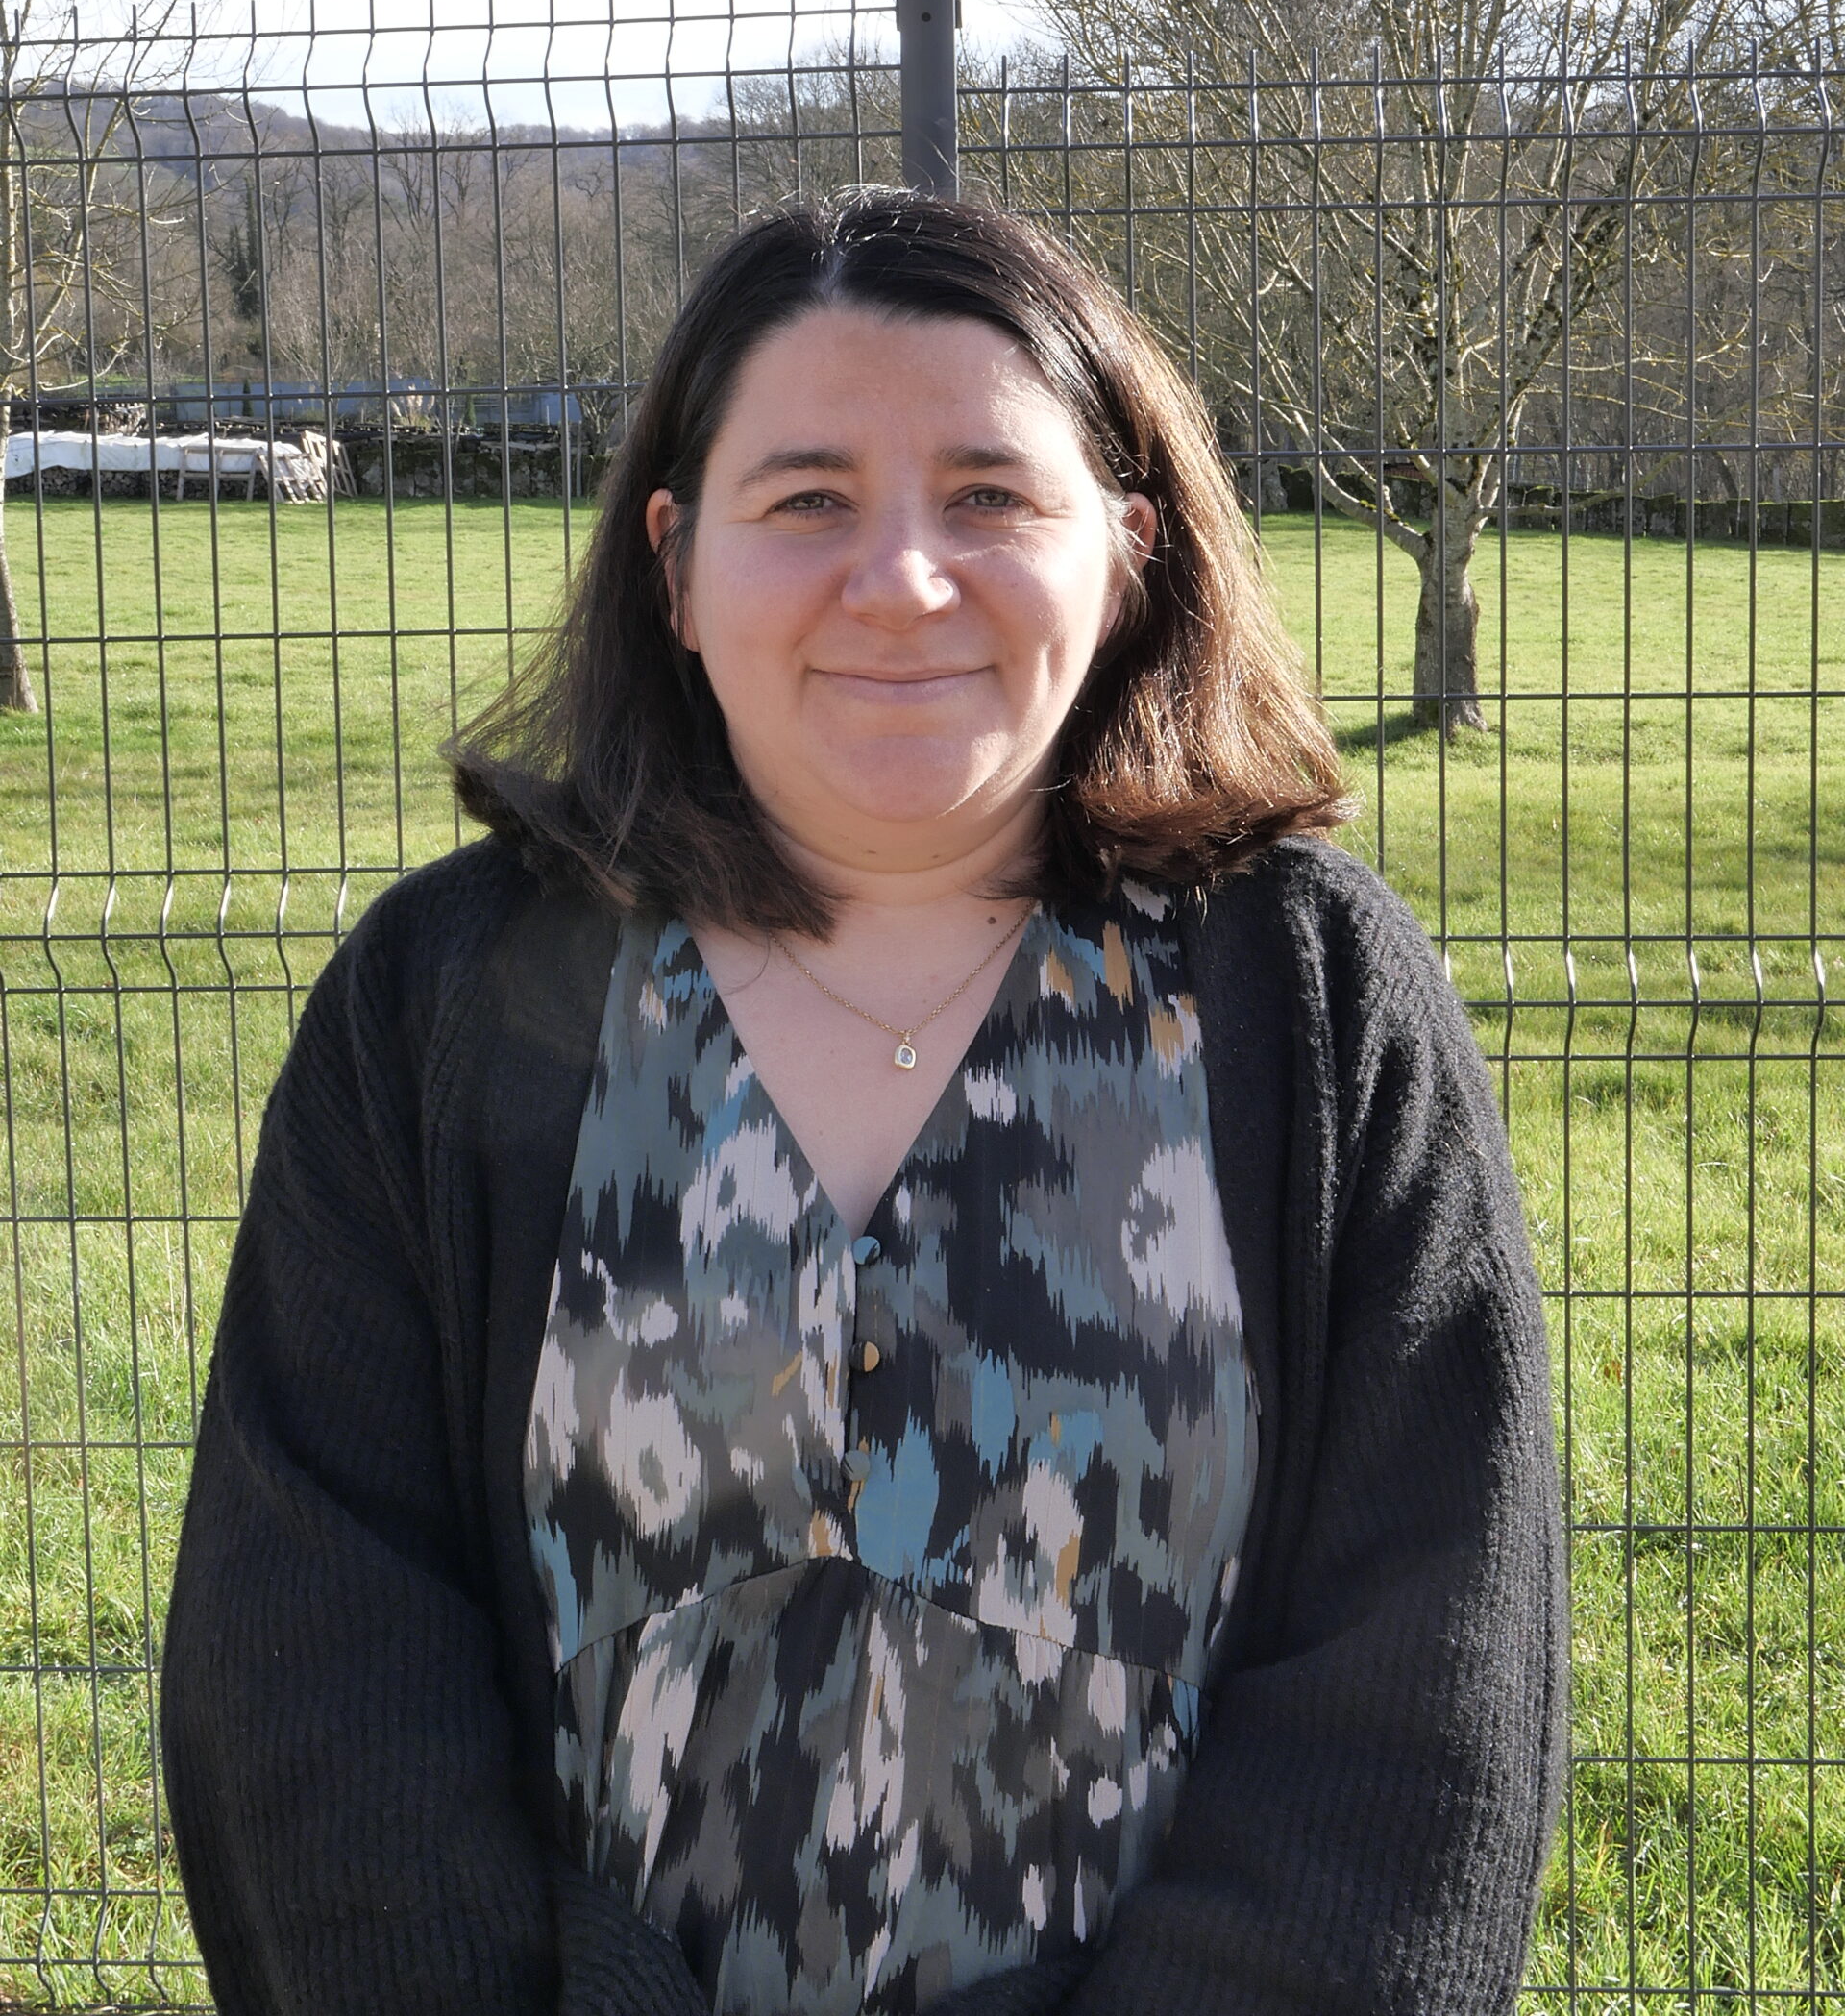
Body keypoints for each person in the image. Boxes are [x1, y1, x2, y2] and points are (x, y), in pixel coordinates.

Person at [161, 187, 1566, 2016]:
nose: (902, 577)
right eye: (809, 498)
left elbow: (1428, 1688)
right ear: (675, 564)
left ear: (1126, 552)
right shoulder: (438, 1005)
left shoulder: (1310, 1001)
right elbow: (312, 1670)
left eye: (990, 496)